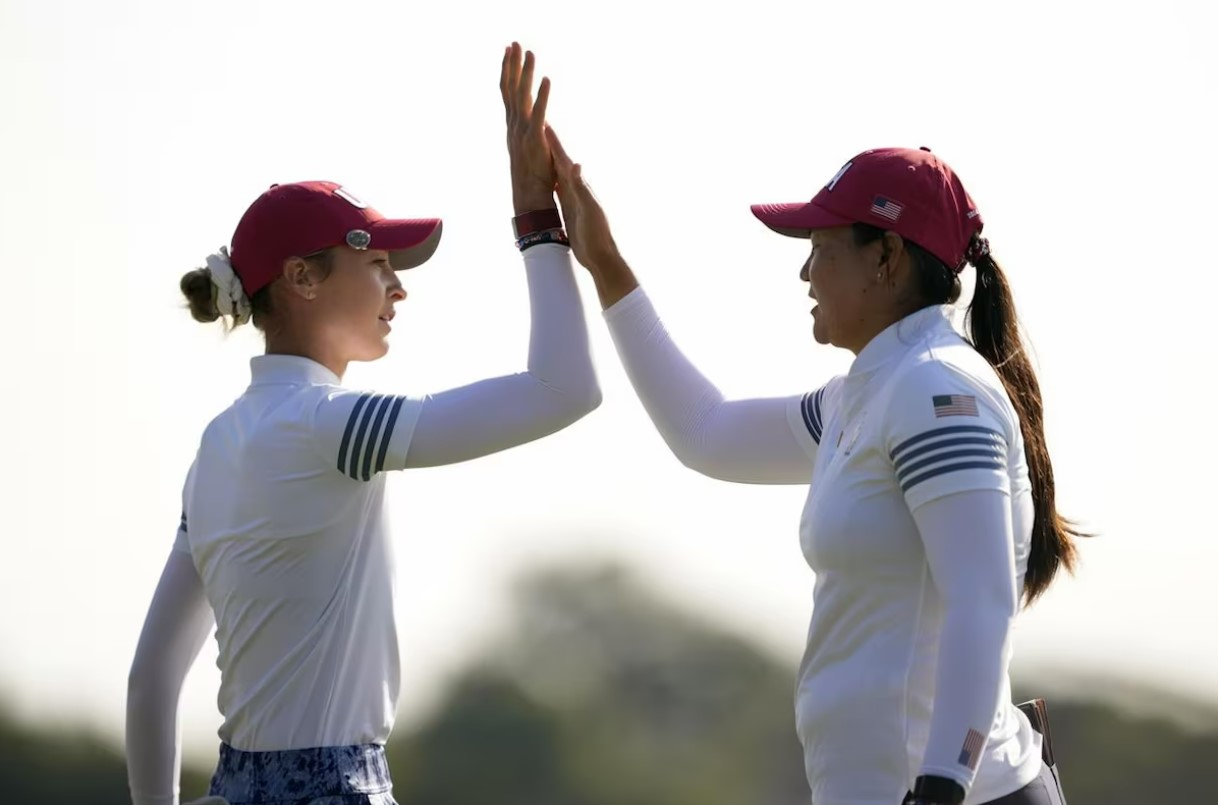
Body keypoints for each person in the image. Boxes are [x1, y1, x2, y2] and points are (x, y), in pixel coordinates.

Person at [124, 43, 600, 805]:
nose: (397, 287)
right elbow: (563, 389)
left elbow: (151, 680)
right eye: (376, 261)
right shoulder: (332, 427)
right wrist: (538, 223)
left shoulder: (216, 445)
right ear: (302, 279)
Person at [545, 131, 1080, 805]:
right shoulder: (869, 391)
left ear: (885, 256)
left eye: (821, 247)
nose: (805, 273)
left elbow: (982, 601)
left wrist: (944, 782)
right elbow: (706, 432)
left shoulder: (936, 388)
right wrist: (605, 264)